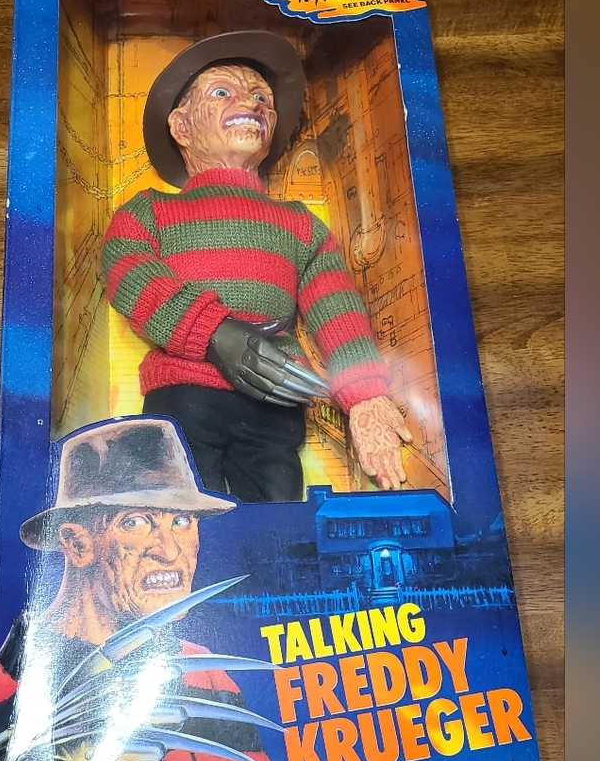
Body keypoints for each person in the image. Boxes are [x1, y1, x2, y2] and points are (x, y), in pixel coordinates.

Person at [101, 30, 412, 503]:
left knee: (277, 516)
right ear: (181, 127)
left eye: (262, 97)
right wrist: (214, 331)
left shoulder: (300, 224)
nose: (250, 103)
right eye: (222, 92)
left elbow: (337, 310)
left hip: (276, 397)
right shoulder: (150, 211)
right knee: (182, 511)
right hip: (184, 390)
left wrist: (366, 396)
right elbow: (129, 272)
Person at [0, 417, 282, 761]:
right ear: (77, 544)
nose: (170, 551)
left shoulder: (206, 673)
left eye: (181, 521)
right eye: (136, 522)